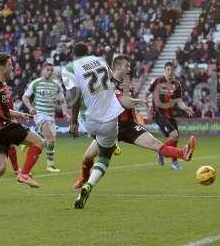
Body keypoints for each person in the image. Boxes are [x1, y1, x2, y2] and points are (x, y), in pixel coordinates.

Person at [72, 55, 196, 188]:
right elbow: (120, 102)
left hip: (129, 126)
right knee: (88, 157)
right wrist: (139, 101)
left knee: (155, 143)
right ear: (118, 67)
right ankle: (83, 177)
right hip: (110, 128)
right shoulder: (106, 83)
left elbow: (128, 106)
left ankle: (183, 153)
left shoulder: (128, 84)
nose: (130, 69)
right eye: (127, 66)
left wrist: (138, 117)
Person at [62, 42, 124, 209]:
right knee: (104, 156)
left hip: (89, 121)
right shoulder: (100, 60)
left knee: (95, 133)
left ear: (73, 55)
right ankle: (89, 185)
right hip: (110, 119)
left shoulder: (69, 68)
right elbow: (114, 80)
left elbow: (74, 95)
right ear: (88, 52)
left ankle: (105, 141)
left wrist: (73, 122)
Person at [0, 53, 44, 188]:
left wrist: (19, 114)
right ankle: (24, 174)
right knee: (39, 142)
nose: (13, 68)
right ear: (2, 67)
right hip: (3, 127)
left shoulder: (2, 85)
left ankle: (22, 174)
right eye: (10, 65)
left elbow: (3, 110)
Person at [144, 62, 194, 170]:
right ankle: (162, 152)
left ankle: (171, 160)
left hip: (169, 115)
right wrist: (146, 107)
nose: (170, 72)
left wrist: (186, 108)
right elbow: (146, 93)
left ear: (174, 71)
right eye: (168, 70)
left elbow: (179, 102)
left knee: (175, 138)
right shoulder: (157, 81)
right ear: (164, 70)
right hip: (158, 114)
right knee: (174, 135)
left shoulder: (177, 85)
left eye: (172, 70)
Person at [22, 59, 69, 172]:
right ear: (43, 70)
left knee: (51, 141)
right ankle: (50, 165)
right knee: (51, 139)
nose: (49, 72)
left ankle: (30, 142)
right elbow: (25, 97)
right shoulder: (36, 83)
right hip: (39, 114)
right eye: (47, 70)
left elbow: (62, 101)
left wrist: (65, 112)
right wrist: (30, 108)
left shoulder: (56, 85)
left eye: (51, 70)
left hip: (50, 116)